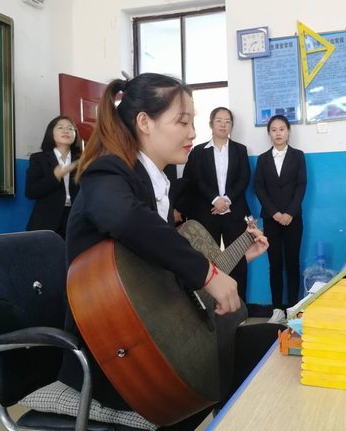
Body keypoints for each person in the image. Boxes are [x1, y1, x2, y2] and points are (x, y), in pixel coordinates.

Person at [57, 74, 281, 431]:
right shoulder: (108, 170)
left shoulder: (158, 182)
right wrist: (207, 274)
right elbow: (126, 218)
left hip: (155, 334)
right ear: (144, 122)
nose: (192, 132)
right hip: (119, 359)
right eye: (182, 122)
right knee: (250, 356)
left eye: (193, 122)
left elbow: (160, 269)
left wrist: (237, 257)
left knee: (272, 340)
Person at [183, 107, 252, 302]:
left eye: (227, 121)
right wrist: (215, 199)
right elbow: (195, 179)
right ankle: (211, 307)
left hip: (234, 212)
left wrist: (227, 200)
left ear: (231, 126)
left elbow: (244, 178)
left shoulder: (240, 150)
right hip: (207, 213)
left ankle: (239, 306)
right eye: (219, 120)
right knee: (207, 262)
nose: (223, 124)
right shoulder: (198, 151)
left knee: (238, 260)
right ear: (211, 124)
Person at [254, 115, 307, 324]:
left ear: (288, 131)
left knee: (293, 263)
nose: (278, 133)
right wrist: (275, 213)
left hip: (294, 219)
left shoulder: (298, 156)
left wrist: (290, 213)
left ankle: (293, 308)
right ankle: (277, 309)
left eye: (282, 129)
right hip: (271, 219)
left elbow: (301, 185)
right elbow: (259, 188)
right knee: (274, 264)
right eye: (274, 129)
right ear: (269, 133)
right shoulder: (263, 159)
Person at [25, 115, 81, 238]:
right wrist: (55, 176)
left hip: (75, 220)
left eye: (70, 128)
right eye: (60, 128)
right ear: (51, 133)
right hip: (46, 221)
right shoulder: (39, 159)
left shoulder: (82, 160)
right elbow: (30, 192)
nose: (66, 131)